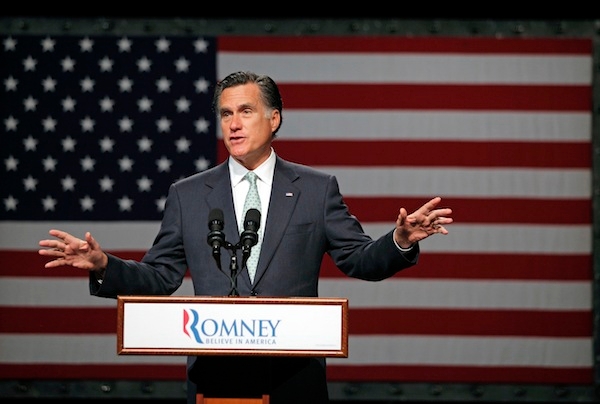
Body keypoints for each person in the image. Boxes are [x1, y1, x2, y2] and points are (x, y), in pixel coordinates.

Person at [39, 70, 453, 404]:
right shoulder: (188, 194)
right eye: (225, 114)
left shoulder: (315, 189)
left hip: (294, 377)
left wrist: (400, 240)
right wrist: (104, 265)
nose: (233, 124)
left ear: (274, 119)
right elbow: (161, 276)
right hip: (215, 379)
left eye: (245, 111)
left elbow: (358, 259)